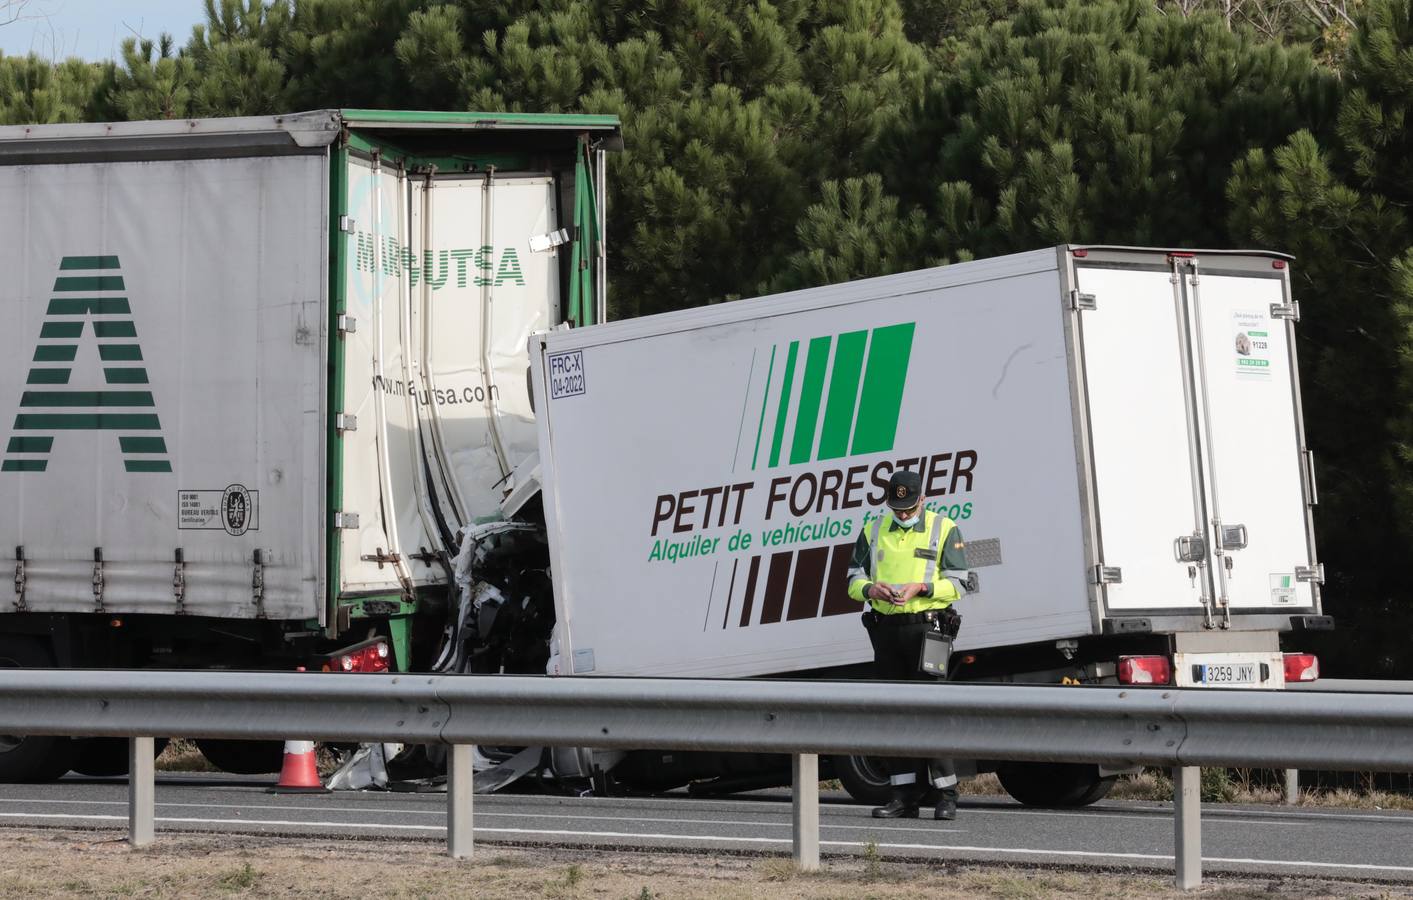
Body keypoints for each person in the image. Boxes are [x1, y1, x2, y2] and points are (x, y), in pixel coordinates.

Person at [846, 469, 970, 820]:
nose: (902, 514)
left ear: (922, 500)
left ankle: (946, 794)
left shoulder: (943, 528)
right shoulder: (873, 530)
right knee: (893, 713)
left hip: (928, 629)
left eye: (908, 507)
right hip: (887, 630)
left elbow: (960, 583)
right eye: (896, 507)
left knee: (931, 711)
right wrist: (870, 589)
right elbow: (853, 578)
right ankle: (903, 795)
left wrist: (923, 588)